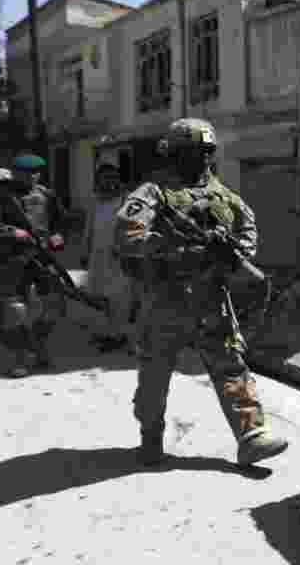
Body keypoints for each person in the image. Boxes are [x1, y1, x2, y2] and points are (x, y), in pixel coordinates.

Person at [114, 118, 288, 467]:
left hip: (211, 299)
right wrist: (175, 251)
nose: (200, 159)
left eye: (205, 152)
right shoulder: (153, 192)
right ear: (173, 154)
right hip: (165, 299)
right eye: (191, 152)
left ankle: (252, 435)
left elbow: (248, 233)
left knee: (231, 367)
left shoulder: (224, 196)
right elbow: (127, 237)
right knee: (154, 376)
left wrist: (231, 251)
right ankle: (151, 436)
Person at [0, 162, 68, 377]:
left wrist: (57, 235)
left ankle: (38, 341)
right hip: (8, 260)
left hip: (40, 256)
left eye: (6, 183)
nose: (2, 187)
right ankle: (19, 356)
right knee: (13, 310)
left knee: (55, 303)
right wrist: (11, 232)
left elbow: (59, 220)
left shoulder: (34, 196)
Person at [83, 163, 132, 352]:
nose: (110, 181)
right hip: (98, 254)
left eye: (114, 177)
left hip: (119, 255)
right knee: (102, 296)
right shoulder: (95, 201)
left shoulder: (126, 200)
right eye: (106, 177)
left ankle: (118, 335)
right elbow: (89, 229)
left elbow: (134, 227)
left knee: (120, 296)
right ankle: (111, 332)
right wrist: (84, 251)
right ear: (99, 180)